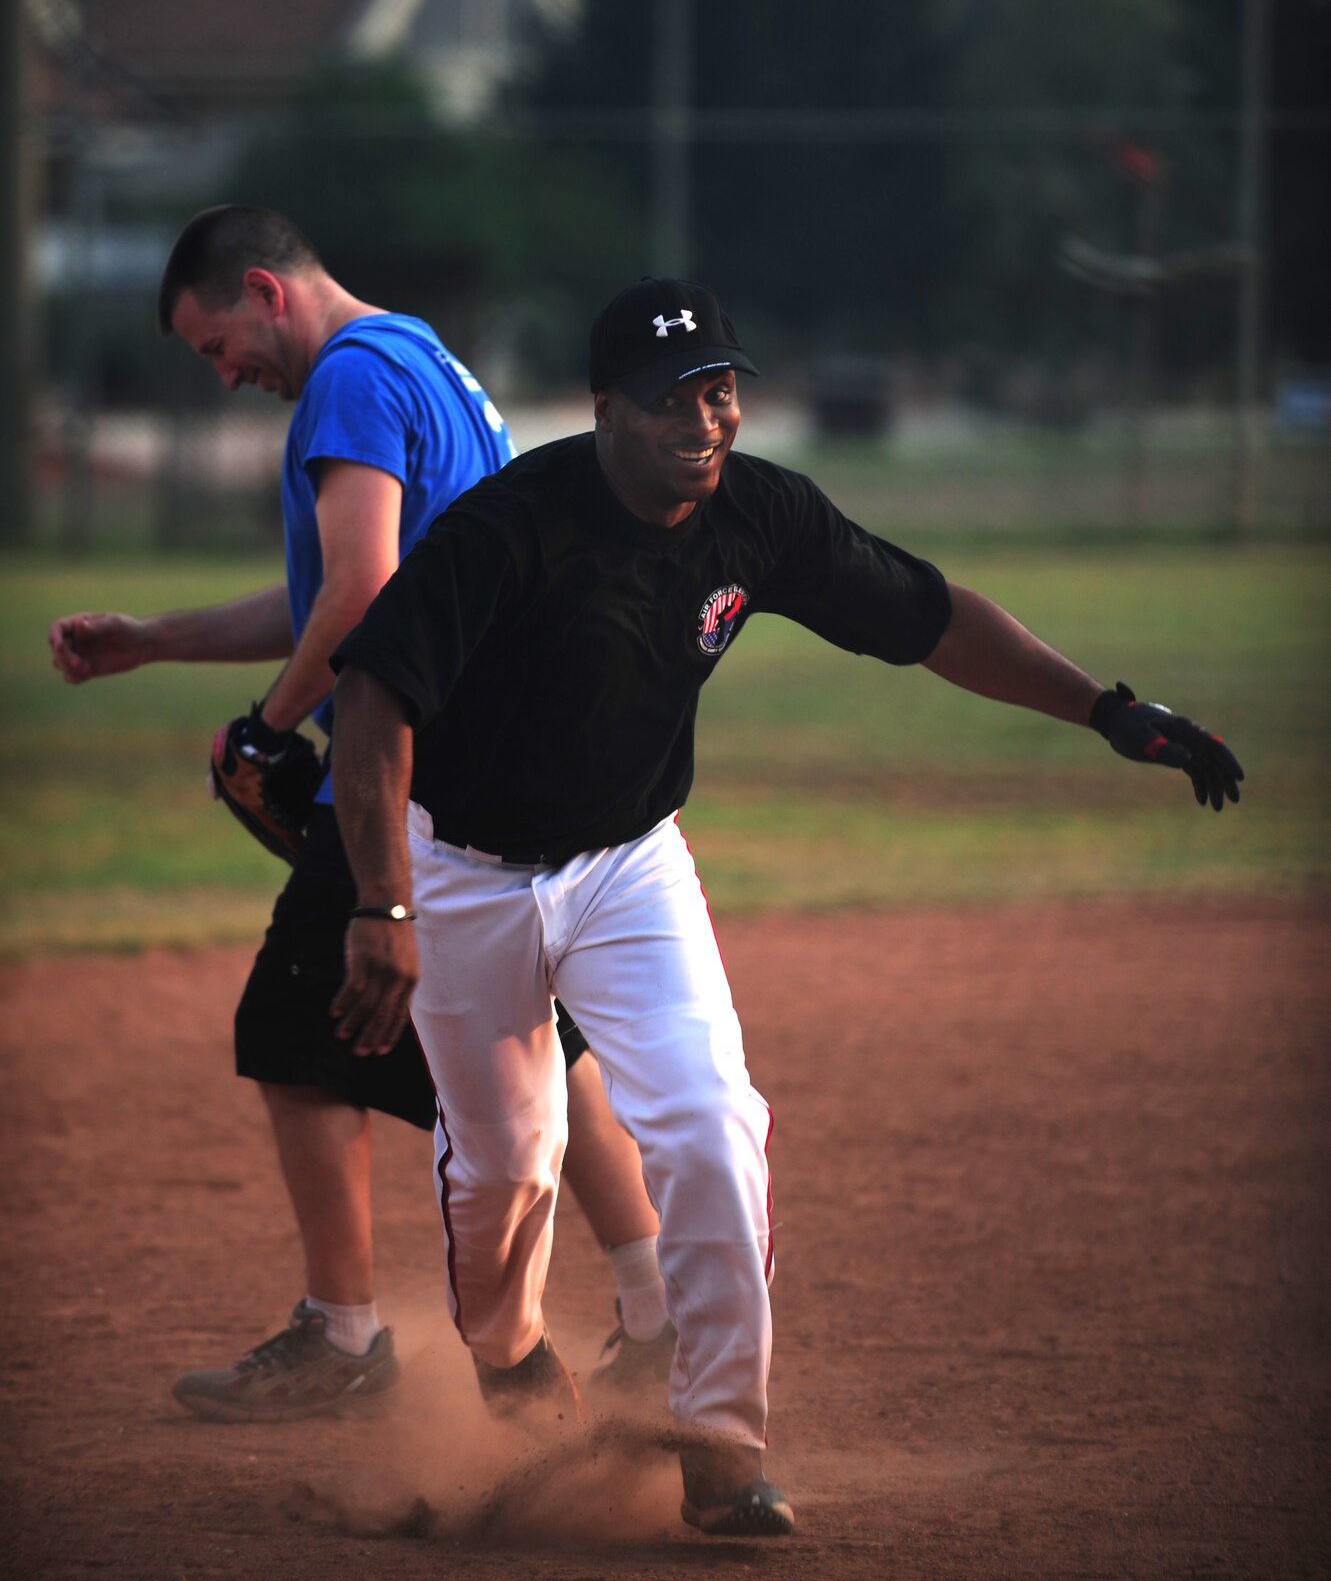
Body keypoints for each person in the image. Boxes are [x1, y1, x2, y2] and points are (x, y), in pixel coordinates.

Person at [325, 274, 1244, 1539]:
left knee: (709, 1120)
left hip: (628, 860)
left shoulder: (755, 517)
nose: (705, 420)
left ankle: (717, 1440)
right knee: (502, 1172)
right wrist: (382, 902)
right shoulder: (507, 529)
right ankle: (508, 1348)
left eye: (719, 389)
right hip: (466, 872)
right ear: (604, 411)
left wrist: (1103, 706)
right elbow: (372, 695)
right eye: (669, 401)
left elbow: (930, 618)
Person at [47, 206, 673, 1423]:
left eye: (216, 341)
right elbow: (337, 591)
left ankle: (343, 1336)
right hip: (496, 759)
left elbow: (362, 594)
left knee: (291, 1027)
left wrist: (267, 731)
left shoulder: (342, 382)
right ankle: (653, 1314)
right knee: (547, 1046)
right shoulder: (417, 357)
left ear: (267, 293)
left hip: (403, 769)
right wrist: (155, 641)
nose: (225, 373)